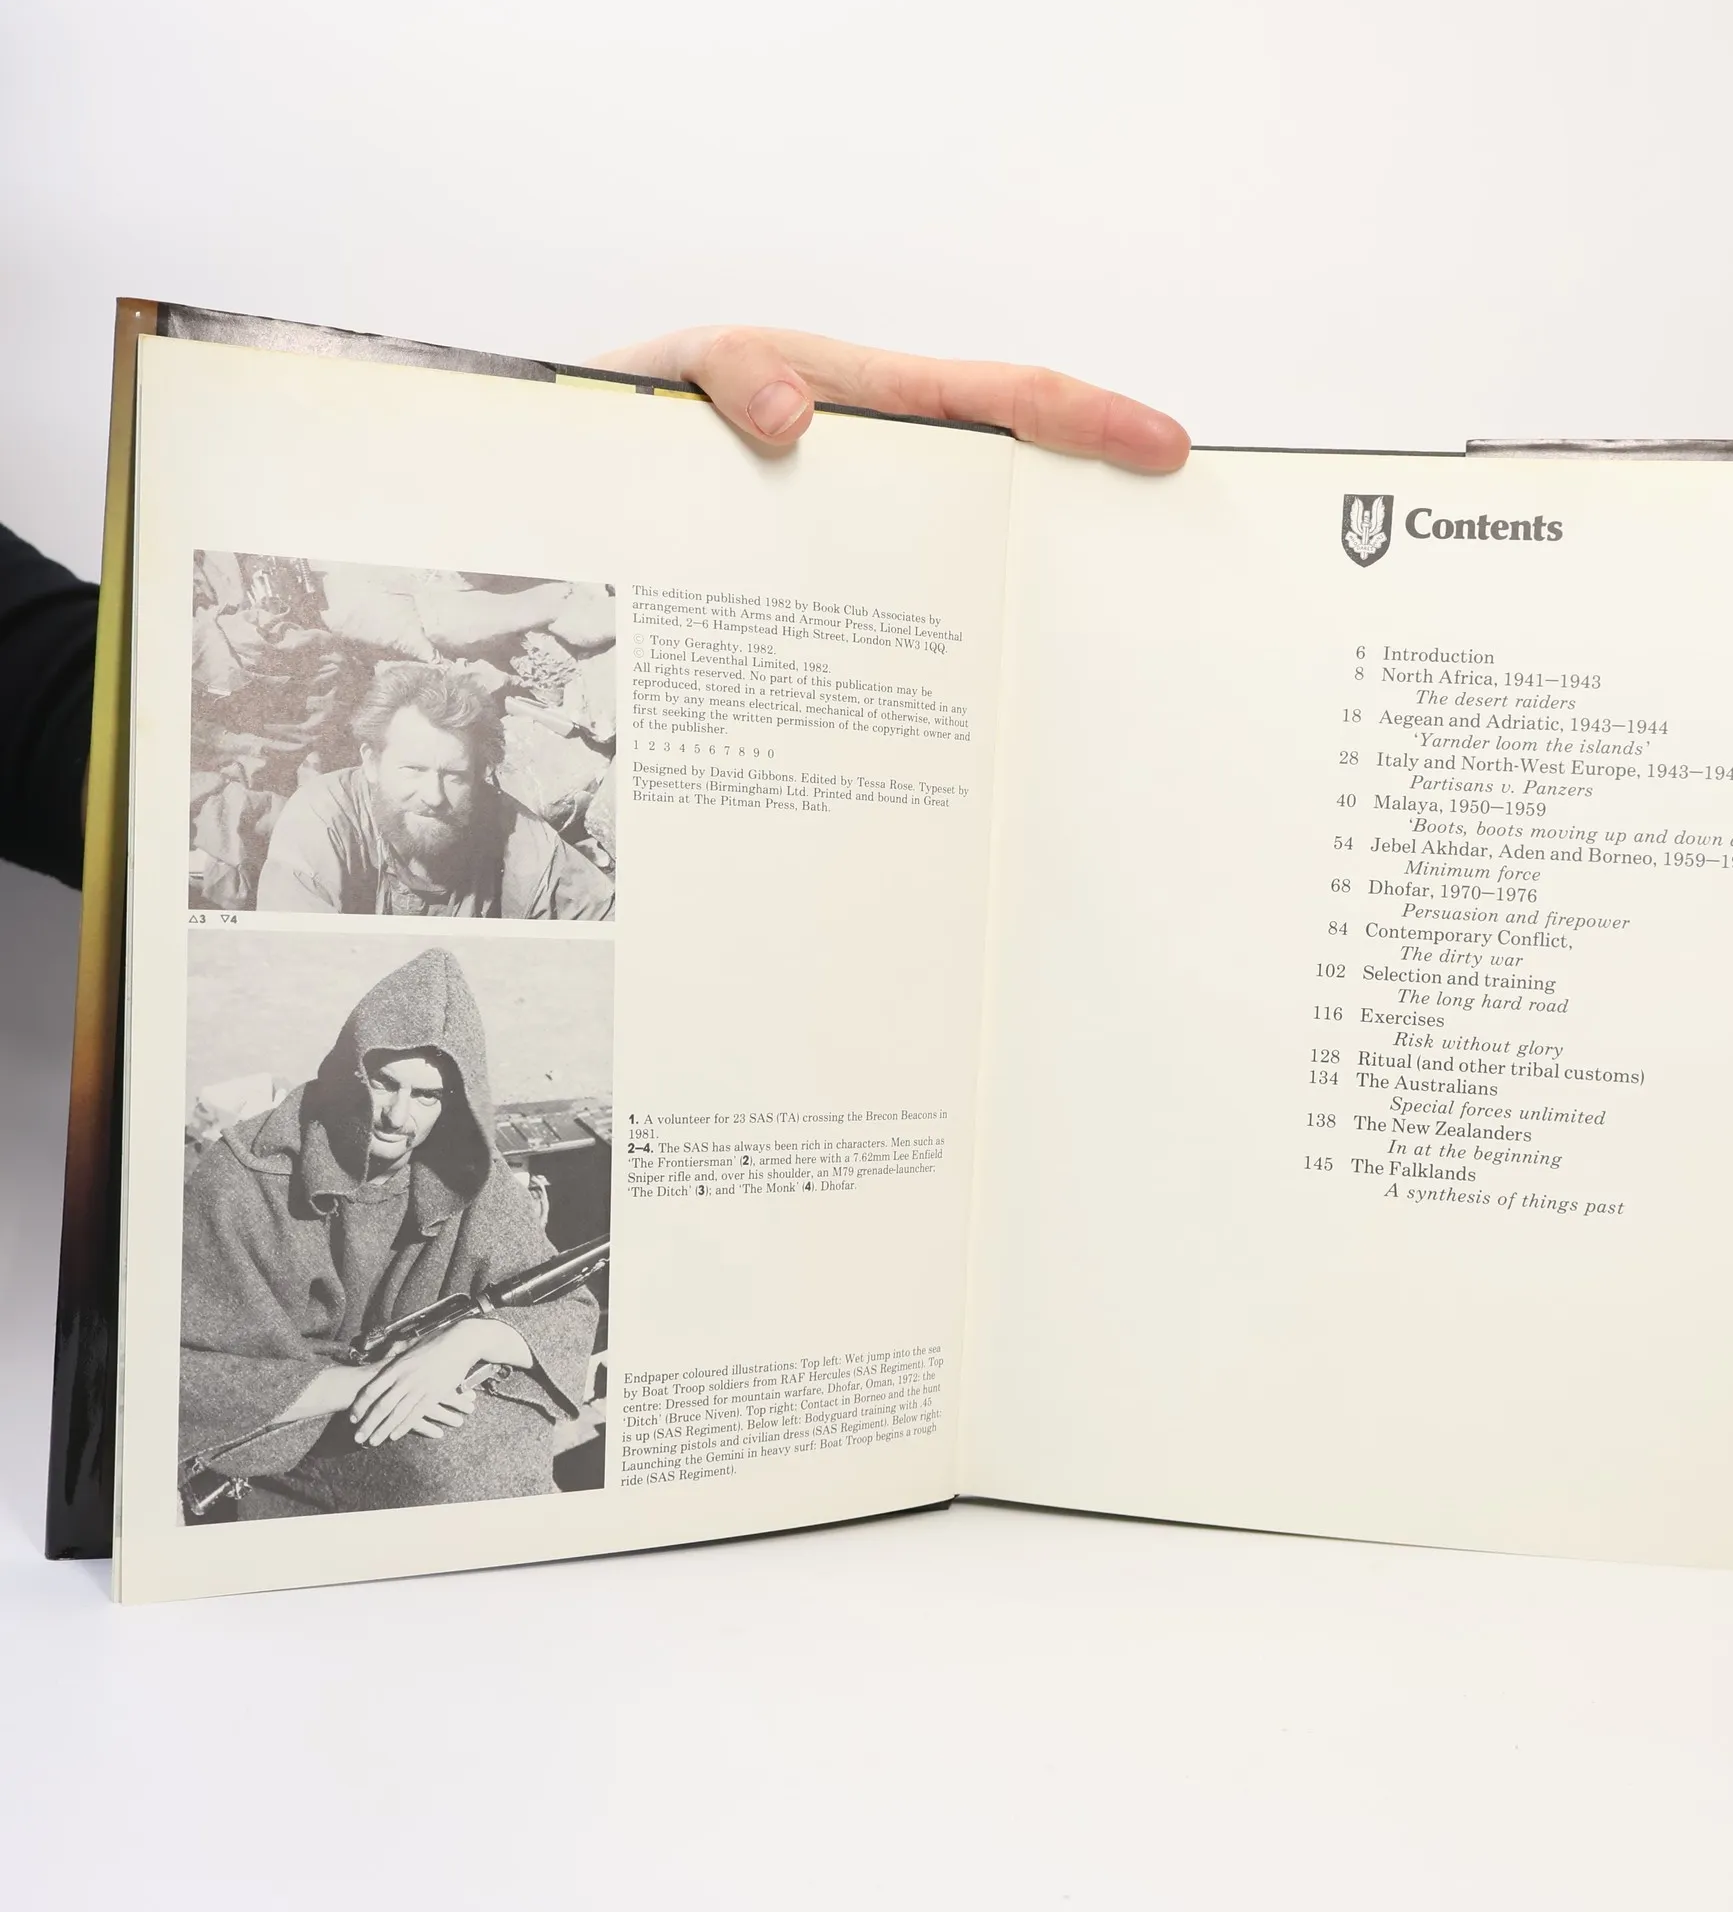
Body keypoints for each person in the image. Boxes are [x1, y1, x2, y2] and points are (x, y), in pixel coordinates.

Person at [0, 327, 1188, 888]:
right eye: (422, 774)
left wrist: (585, 464)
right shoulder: (341, 799)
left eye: (453, 774)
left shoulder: (504, 794)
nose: (439, 793)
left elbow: (52, 716)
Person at [177, 946, 598, 1517]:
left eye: (427, 1096)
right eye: (384, 1084)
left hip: (424, 1386)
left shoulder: (470, 1169)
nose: (399, 1118)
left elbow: (568, 1309)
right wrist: (369, 1382)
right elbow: (182, 1372)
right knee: (447, 1477)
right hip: (291, 1417)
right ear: (348, 1074)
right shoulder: (241, 1176)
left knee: (503, 1444)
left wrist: (466, 1342)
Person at [256, 661, 616, 919]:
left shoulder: (514, 832)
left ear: (480, 776)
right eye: (413, 769)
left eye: (454, 775)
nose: (433, 796)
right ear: (372, 763)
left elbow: (604, 919)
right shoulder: (322, 819)